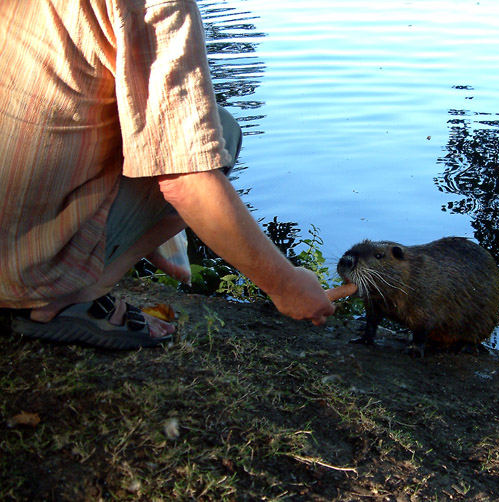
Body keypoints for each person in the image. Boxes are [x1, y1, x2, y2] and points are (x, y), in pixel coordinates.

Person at [0, 0, 335, 349]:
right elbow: (187, 182)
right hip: (18, 266)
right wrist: (286, 285)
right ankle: (61, 298)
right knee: (222, 131)